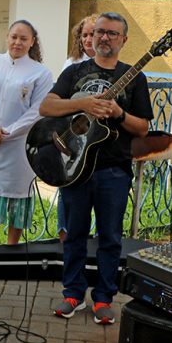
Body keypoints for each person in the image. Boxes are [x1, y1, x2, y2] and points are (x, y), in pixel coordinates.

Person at [39, 12, 153, 324]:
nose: (104, 38)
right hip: (74, 165)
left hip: (113, 169)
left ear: (124, 40)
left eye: (112, 34)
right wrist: (83, 104)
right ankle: (72, 293)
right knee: (74, 233)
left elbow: (142, 128)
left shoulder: (135, 77)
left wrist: (118, 113)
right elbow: (46, 107)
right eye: (100, 32)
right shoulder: (75, 72)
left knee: (110, 237)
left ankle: (104, 298)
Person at [0, 19, 53, 245]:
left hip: (18, 145)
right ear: (7, 38)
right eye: (14, 37)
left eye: (23, 38)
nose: (17, 42)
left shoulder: (41, 73)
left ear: (32, 42)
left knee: (16, 200)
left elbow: (38, 110)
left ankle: (11, 251)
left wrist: (6, 132)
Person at [57, 14, 99, 241]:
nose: (88, 39)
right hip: (75, 131)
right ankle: (65, 234)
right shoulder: (71, 64)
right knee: (69, 183)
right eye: (84, 35)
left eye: (92, 33)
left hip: (99, 137)